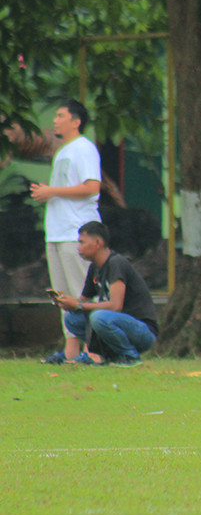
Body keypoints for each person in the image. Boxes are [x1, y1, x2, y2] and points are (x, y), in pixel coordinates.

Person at [33, 99, 102, 364]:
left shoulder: (83, 149)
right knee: (62, 296)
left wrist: (52, 192)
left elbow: (92, 187)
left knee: (81, 294)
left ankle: (93, 350)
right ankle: (71, 352)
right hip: (57, 232)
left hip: (76, 233)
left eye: (60, 115)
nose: (55, 120)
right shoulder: (63, 151)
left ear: (76, 121)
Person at [51, 221, 158, 366]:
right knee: (72, 318)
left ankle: (130, 356)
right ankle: (107, 355)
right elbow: (83, 300)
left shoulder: (116, 263)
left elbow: (115, 306)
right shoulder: (95, 267)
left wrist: (79, 305)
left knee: (98, 316)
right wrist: (67, 302)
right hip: (114, 323)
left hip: (141, 331)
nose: (78, 248)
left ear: (98, 242)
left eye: (82, 243)